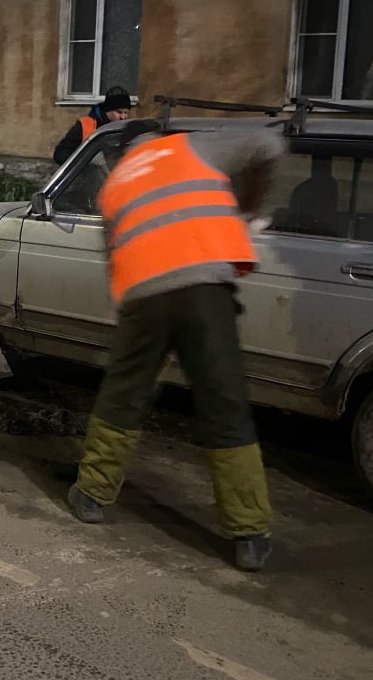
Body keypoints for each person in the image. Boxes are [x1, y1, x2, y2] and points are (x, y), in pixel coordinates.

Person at [67, 125, 285, 572]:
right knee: (223, 403)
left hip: (143, 294)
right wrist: (249, 211)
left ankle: (91, 494)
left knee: (123, 395)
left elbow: (112, 255)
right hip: (204, 288)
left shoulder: (115, 183)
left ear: (125, 152)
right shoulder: (191, 146)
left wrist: (126, 308)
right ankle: (249, 535)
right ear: (159, 138)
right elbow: (268, 143)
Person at [52, 89, 133, 165]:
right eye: (119, 112)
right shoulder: (86, 125)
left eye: (126, 112)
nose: (123, 117)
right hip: (86, 178)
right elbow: (60, 154)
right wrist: (87, 161)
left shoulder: (123, 129)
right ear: (108, 110)